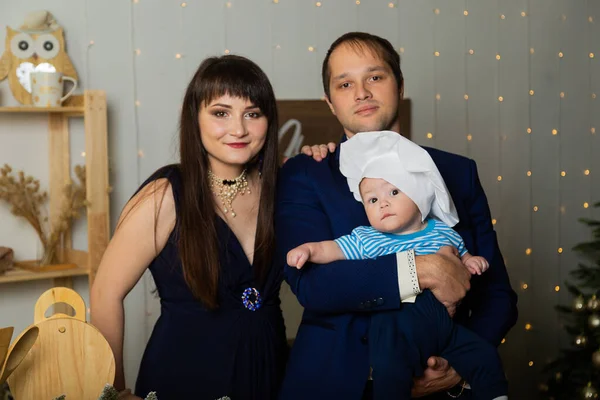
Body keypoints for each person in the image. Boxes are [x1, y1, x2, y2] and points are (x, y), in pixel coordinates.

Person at [275, 32, 518, 399]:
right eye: (345, 84)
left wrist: (458, 368)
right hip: (333, 383)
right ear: (330, 102)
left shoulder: (456, 171)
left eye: (374, 77)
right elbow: (313, 284)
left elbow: (497, 293)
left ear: (399, 84)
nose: (361, 93)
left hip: (440, 378)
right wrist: (421, 269)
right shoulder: (304, 174)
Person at [90, 55, 329, 400]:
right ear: (194, 119)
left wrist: (324, 159)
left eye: (252, 114)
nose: (239, 129)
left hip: (270, 371)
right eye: (221, 113)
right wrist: (114, 390)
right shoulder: (165, 195)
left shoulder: (284, 189)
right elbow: (105, 293)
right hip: (184, 374)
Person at [287, 131, 508, 400]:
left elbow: (466, 258)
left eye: (394, 192)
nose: (384, 203)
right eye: (373, 200)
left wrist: (471, 261)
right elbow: (330, 250)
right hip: (394, 322)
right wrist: (308, 250)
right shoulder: (368, 237)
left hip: (442, 325)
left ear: (418, 196)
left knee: (483, 356)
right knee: (390, 369)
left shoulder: (441, 230)